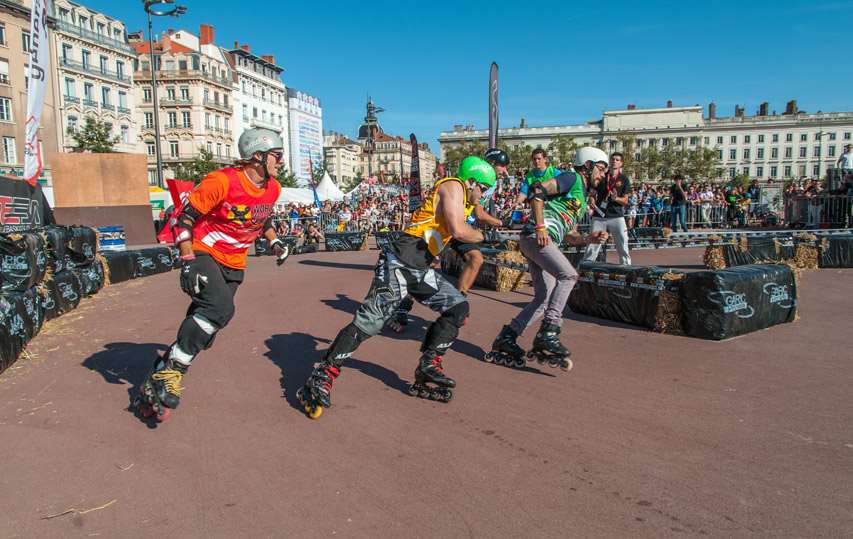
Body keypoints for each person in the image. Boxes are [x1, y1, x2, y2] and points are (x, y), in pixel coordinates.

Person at [295, 156, 496, 419]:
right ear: (472, 181)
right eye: (484, 188)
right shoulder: (453, 186)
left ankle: (428, 364)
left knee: (458, 306)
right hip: (399, 262)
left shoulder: (465, 198)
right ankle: (323, 375)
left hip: (419, 268)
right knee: (370, 323)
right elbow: (458, 230)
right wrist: (488, 235)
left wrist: (492, 223)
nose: (484, 195)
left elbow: (472, 216)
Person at [133, 128, 287, 422]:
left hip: (235, 262)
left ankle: (160, 369)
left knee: (207, 330)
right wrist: (188, 259)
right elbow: (182, 218)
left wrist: (274, 241)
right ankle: (171, 372)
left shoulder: (273, 188)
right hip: (205, 252)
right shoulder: (222, 181)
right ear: (258, 156)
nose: (280, 161)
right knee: (220, 309)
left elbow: (262, 215)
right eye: (276, 156)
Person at [485, 147, 608, 370]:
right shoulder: (572, 178)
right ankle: (549, 331)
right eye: (600, 169)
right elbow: (537, 189)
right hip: (537, 236)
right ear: (587, 166)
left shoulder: (580, 197)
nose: (602, 175)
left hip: (538, 238)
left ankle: (508, 336)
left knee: (543, 297)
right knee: (569, 275)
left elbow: (569, 236)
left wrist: (590, 238)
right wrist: (541, 227)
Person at [387, 149, 507, 333]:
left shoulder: (486, 185)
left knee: (476, 259)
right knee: (425, 266)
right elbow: (480, 213)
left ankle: (458, 299)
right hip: (446, 226)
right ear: (491, 163)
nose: (504, 170)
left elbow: (477, 214)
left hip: (461, 228)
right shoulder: (474, 180)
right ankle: (402, 309)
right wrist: (501, 222)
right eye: (501, 166)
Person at [583, 152, 632, 265]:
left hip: (616, 216)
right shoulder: (602, 176)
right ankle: (585, 270)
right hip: (599, 215)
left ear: (621, 163)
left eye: (617, 159)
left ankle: (627, 270)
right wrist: (591, 198)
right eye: (613, 159)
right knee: (592, 246)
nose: (614, 161)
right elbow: (592, 192)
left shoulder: (624, 179)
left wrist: (616, 198)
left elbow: (625, 201)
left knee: (623, 245)